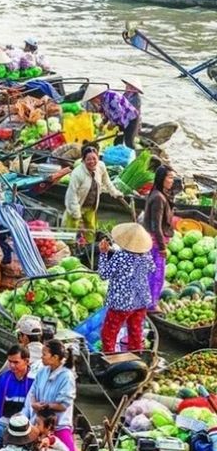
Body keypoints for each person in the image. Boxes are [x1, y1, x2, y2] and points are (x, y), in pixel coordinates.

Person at [23, 339, 96, 451]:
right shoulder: (43, 371)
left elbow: (64, 404)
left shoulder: (66, 376)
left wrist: (46, 405)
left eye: (45, 354)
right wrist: (34, 404)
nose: (42, 357)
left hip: (59, 422)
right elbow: (33, 390)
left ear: (55, 357)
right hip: (40, 420)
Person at [98, 223, 153, 354]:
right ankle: (136, 356)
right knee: (135, 333)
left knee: (108, 333)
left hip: (122, 302)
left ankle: (110, 359)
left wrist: (103, 254)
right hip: (141, 301)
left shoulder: (120, 256)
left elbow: (103, 274)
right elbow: (152, 269)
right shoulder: (146, 255)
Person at [63, 145, 123, 243]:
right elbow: (71, 194)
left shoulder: (101, 166)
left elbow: (107, 182)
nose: (92, 162)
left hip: (91, 205)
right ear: (83, 160)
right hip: (77, 204)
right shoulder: (77, 174)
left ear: (98, 158)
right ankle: (70, 247)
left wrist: (115, 192)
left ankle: (90, 247)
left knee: (91, 229)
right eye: (88, 159)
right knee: (71, 229)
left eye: (94, 159)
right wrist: (75, 212)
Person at [0, 344, 34, 447]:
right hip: (6, 420)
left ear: (26, 361)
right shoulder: (3, 379)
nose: (12, 366)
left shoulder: (34, 380)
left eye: (16, 362)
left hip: (27, 423)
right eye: (10, 362)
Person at [142, 165, 175, 310]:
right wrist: (162, 247)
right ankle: (150, 305)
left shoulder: (158, 194)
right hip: (155, 243)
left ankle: (148, 302)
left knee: (152, 273)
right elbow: (156, 226)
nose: (172, 180)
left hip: (153, 241)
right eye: (169, 177)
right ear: (162, 178)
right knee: (157, 276)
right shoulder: (158, 198)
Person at [120, 76, 143, 149]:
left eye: (131, 87)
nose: (128, 88)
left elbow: (131, 112)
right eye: (127, 85)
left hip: (132, 121)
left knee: (129, 142)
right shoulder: (125, 95)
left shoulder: (136, 98)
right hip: (125, 120)